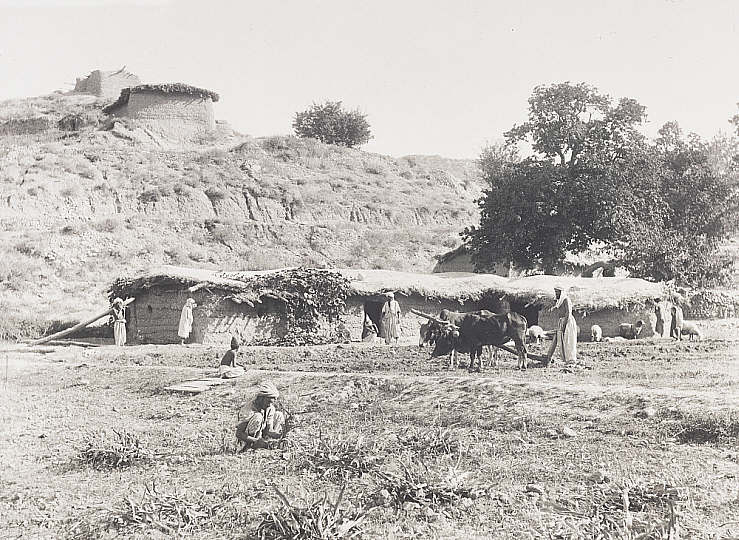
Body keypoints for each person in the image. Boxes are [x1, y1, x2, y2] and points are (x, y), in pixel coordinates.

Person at [235, 382, 285, 451]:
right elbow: (239, 434)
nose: (269, 405)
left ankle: (268, 443)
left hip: (261, 437)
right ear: (261, 398)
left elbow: (269, 430)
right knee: (258, 417)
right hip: (248, 439)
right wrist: (256, 441)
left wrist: (280, 435)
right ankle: (249, 447)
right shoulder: (248, 409)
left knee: (279, 415)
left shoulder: (269, 408)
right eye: (268, 402)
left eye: (271, 402)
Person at [546, 286, 577, 365]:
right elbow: (557, 307)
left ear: (561, 292)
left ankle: (571, 359)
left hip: (568, 322)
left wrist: (564, 325)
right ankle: (565, 359)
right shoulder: (560, 301)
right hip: (562, 321)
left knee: (568, 340)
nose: (556, 294)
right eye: (555, 292)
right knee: (562, 341)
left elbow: (568, 313)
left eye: (557, 292)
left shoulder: (566, 300)